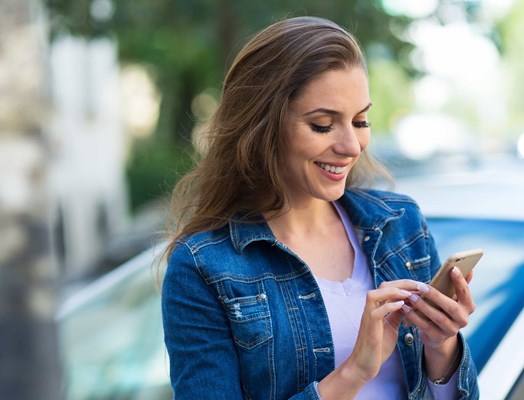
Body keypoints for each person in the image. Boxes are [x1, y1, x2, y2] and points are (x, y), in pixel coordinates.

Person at [161, 16, 479, 399]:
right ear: (261, 127)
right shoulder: (203, 268)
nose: (352, 145)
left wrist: (441, 344)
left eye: (360, 121)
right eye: (323, 125)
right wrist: (354, 372)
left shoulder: (399, 225)